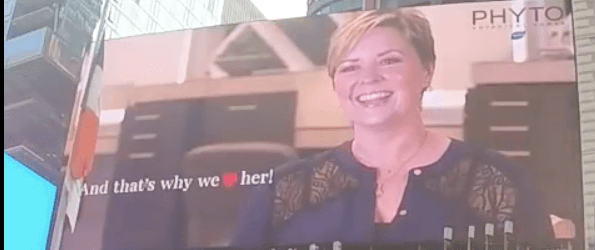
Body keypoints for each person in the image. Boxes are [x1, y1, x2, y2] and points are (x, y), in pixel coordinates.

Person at [232, 9, 553, 248]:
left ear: (427, 71)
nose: (368, 78)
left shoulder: (501, 181)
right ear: (336, 84)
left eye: (389, 61)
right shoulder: (282, 189)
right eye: (349, 67)